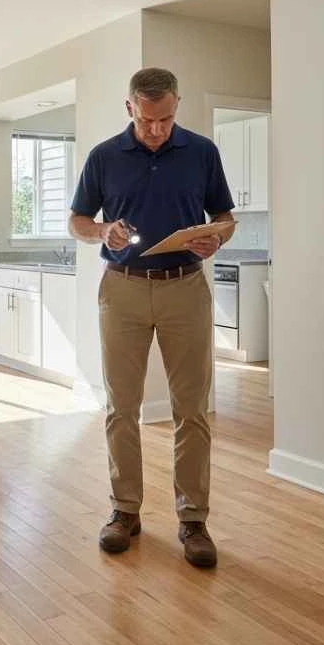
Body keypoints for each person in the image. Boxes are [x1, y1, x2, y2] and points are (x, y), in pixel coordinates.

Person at [68, 67, 235, 568]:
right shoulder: (103, 156)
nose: (157, 129)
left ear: (176, 106)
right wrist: (102, 233)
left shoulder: (202, 152)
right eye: (147, 119)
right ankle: (125, 511)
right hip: (122, 292)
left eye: (165, 118)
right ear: (129, 109)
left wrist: (217, 237)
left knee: (193, 409)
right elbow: (77, 221)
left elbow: (224, 217)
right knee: (122, 406)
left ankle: (194, 519)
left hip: (186, 288)